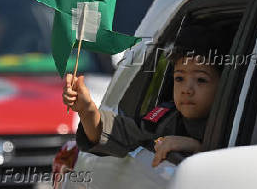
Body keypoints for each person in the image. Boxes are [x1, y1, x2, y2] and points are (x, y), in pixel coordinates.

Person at [62, 25, 229, 167]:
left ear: (225, 85)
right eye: (179, 78)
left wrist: (197, 149)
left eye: (201, 80)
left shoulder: (236, 124)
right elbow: (117, 132)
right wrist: (86, 110)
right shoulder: (165, 119)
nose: (187, 89)